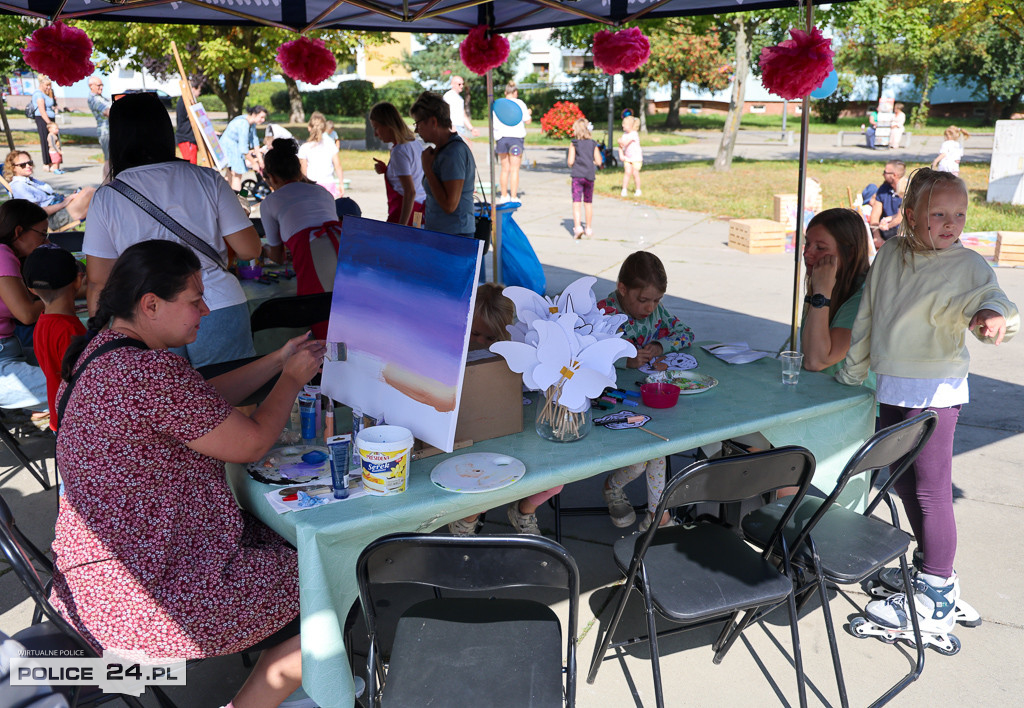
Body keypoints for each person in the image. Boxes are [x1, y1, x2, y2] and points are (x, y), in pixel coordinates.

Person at [50, 239, 325, 708]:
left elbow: (198, 399)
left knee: (291, 546)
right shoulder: (147, 373)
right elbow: (253, 442)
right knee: (328, 582)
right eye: (195, 300)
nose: (206, 309)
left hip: (97, 584)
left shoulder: (99, 355)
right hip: (148, 599)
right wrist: (293, 379)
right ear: (151, 304)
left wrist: (277, 359)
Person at [836, 168, 1018, 638]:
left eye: (959, 214)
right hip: (891, 387)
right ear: (910, 216)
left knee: (932, 490)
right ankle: (932, 567)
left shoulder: (969, 266)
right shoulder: (892, 253)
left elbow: (994, 300)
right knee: (899, 481)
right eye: (939, 214)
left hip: (936, 392)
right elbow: (868, 316)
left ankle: (937, 590)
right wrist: (853, 371)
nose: (951, 224)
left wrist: (992, 317)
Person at [84, 92, 262, 368]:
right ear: (165, 130)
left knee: (164, 408)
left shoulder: (107, 197)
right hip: (217, 302)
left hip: (148, 316)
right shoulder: (207, 179)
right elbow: (249, 249)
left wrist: (99, 336)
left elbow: (98, 279)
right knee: (233, 402)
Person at [597, 251, 695, 532]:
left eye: (657, 300)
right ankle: (617, 491)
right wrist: (622, 360)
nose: (650, 308)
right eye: (643, 300)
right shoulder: (603, 312)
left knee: (657, 449)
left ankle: (657, 516)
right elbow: (583, 353)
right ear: (622, 288)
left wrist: (663, 346)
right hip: (611, 400)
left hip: (646, 398)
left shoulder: (657, 312)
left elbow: (686, 333)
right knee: (645, 458)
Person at [260, 138, 342, 339]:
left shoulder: (270, 202)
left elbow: (278, 257)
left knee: (321, 315)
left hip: (313, 257)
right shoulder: (322, 191)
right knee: (345, 311)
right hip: (342, 246)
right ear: (298, 170)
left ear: (271, 177)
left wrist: (261, 250)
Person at [800, 208, 871, 376]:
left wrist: (821, 294)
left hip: (855, 400)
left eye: (820, 248)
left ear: (850, 253)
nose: (807, 253)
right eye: (808, 243)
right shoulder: (824, 283)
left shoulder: (863, 297)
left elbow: (816, 361)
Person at [21, 246, 84, 431]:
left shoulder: (42, 321)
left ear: (31, 289)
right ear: (79, 280)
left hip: (60, 417)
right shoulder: (70, 331)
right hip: (77, 423)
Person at [0, 200, 50, 412]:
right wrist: (59, 298)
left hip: (10, 351)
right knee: (78, 387)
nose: (45, 241)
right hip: (3, 361)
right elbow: (27, 314)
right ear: (19, 231)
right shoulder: (2, 254)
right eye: (42, 234)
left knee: (75, 365)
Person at [411, 92, 476, 238]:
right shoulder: (443, 150)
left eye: (418, 123)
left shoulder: (453, 152)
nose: (416, 130)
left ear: (433, 122)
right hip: (442, 233)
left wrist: (428, 169)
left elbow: (449, 205)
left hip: (455, 236)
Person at [3, 151, 93, 231]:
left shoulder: (31, 181)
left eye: (30, 163)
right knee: (91, 193)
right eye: (23, 165)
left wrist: (68, 199)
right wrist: (63, 203)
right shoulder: (19, 186)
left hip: (60, 209)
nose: (28, 166)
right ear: (13, 168)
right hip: (51, 219)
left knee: (92, 195)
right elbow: (34, 213)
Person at [369, 101, 425, 226]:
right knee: (417, 233)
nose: (375, 134)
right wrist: (388, 170)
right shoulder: (414, 143)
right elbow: (414, 174)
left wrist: (402, 227)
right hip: (419, 209)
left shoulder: (399, 151)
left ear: (388, 125)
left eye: (376, 128)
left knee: (401, 242)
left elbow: (410, 192)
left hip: (405, 211)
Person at [492, 81, 531, 204]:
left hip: (502, 138)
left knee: (505, 168)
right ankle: (514, 196)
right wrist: (529, 113)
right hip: (516, 138)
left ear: (505, 92)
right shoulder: (520, 103)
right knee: (515, 169)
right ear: (515, 92)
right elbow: (528, 121)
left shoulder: (497, 104)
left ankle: (504, 195)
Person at [568, 117, 602, 239]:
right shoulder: (593, 144)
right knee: (588, 203)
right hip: (589, 176)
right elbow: (599, 161)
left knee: (576, 203)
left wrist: (573, 163)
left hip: (577, 176)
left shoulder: (574, 144)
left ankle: (577, 228)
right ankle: (588, 228)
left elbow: (570, 161)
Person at [298, 111, 345, 198]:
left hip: (311, 185)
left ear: (309, 128)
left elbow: (303, 171)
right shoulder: (331, 145)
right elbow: (338, 165)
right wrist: (341, 183)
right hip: (328, 184)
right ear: (324, 129)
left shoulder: (304, 148)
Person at [220, 105, 267, 191]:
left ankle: (226, 194)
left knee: (230, 174)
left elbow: (255, 142)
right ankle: (235, 198)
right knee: (237, 173)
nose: (263, 120)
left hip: (233, 147)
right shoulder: (243, 124)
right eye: (261, 117)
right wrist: (254, 163)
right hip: (229, 148)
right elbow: (243, 149)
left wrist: (260, 161)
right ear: (254, 114)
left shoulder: (251, 123)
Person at [869, 160, 905, 249]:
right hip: (886, 231)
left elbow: (900, 217)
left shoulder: (907, 189)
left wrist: (887, 226)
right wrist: (876, 236)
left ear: (894, 175)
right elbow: (875, 215)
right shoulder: (884, 189)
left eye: (885, 172)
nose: (883, 174)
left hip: (902, 233)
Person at [30, 76, 60, 173]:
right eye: (47, 85)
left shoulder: (48, 93)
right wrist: (49, 123)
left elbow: (53, 105)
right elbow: (42, 110)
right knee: (45, 140)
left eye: (50, 85)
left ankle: (54, 162)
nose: (49, 87)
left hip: (50, 118)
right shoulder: (38, 94)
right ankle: (47, 163)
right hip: (43, 119)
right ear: (41, 84)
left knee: (54, 141)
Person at [174, 78, 203, 164]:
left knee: (192, 164)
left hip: (189, 138)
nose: (199, 93)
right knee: (191, 164)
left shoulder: (187, 101)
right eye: (199, 90)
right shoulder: (185, 101)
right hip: (186, 138)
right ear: (193, 89)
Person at [86, 76, 112, 167]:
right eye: (99, 85)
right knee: (109, 160)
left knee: (112, 160)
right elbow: (108, 112)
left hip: (109, 131)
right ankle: (107, 181)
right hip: (106, 132)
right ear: (91, 86)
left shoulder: (100, 97)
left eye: (102, 85)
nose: (101, 87)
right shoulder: (94, 99)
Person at [443, 75, 478, 140]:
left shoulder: (460, 98)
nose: (462, 86)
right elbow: (443, 113)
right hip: (453, 128)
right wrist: (450, 126)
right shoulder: (449, 96)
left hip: (460, 128)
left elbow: (463, 116)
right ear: (452, 84)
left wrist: (471, 129)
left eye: (463, 84)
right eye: (459, 84)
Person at [617, 115, 643, 197]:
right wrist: (621, 154)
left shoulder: (634, 134)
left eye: (624, 124)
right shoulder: (624, 135)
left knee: (635, 173)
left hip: (636, 158)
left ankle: (638, 189)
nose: (623, 125)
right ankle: (624, 189)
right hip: (628, 158)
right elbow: (621, 147)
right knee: (627, 172)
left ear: (630, 126)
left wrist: (620, 141)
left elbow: (624, 143)